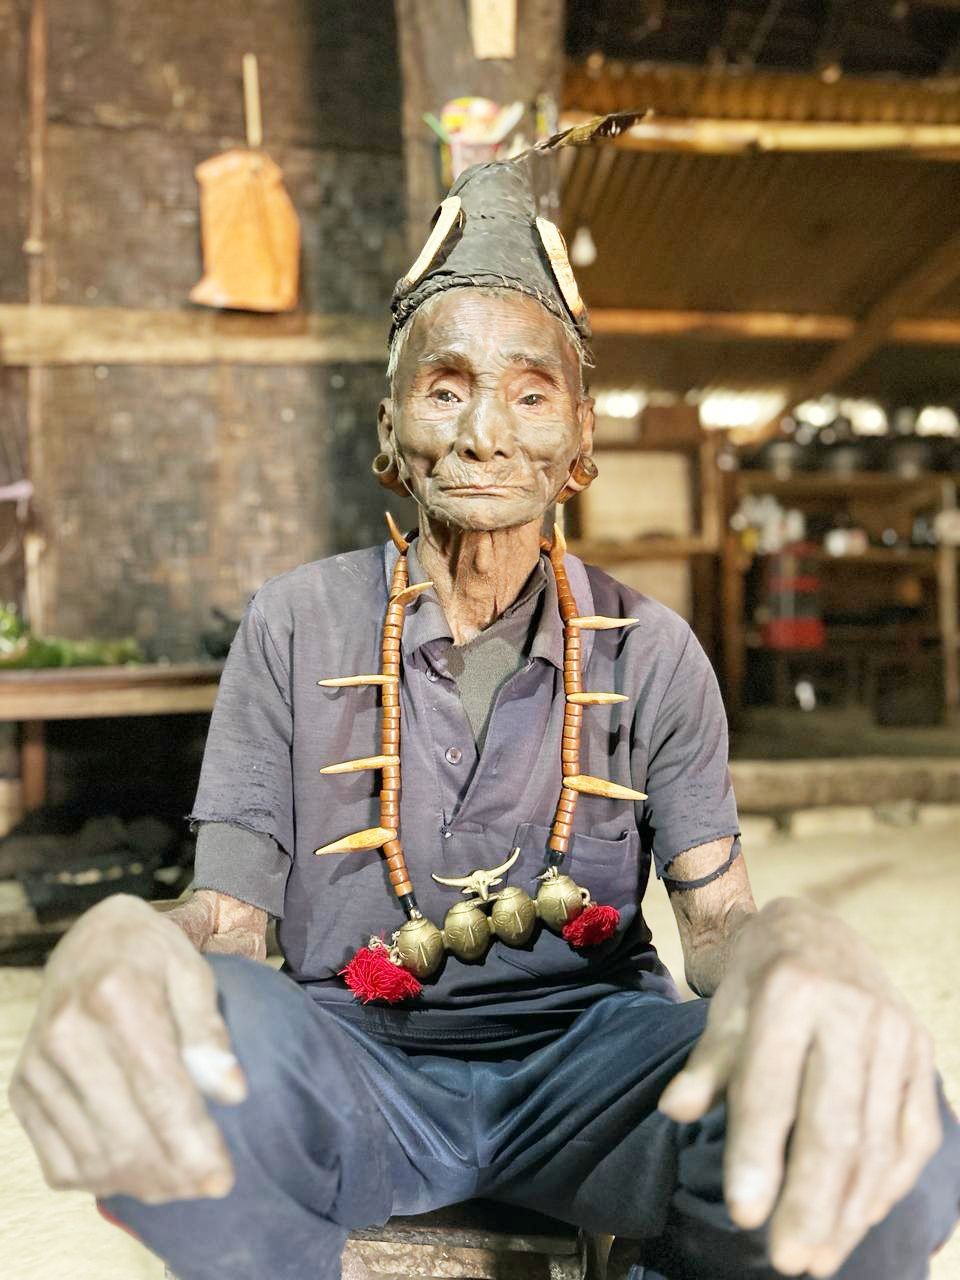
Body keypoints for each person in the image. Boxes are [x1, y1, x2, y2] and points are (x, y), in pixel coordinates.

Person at [9, 131, 960, 1280]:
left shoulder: (654, 649)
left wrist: (799, 941)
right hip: (347, 1058)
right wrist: (121, 937)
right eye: (445, 387)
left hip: (595, 1069)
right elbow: (229, 925)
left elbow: (716, 925)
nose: (483, 433)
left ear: (579, 442)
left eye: (529, 393)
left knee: (888, 1132)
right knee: (179, 1055)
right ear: (387, 431)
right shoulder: (294, 622)